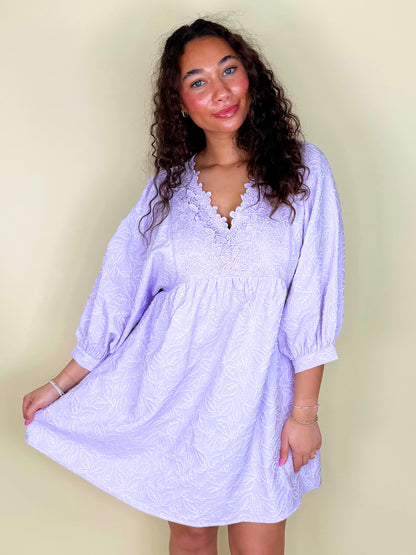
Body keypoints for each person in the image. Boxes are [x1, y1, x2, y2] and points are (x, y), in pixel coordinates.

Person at [22, 18, 345, 555]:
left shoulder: (303, 169)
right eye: (198, 81)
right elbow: (121, 293)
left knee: (259, 543)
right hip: (179, 398)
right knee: (190, 539)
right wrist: (61, 385)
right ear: (180, 103)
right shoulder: (168, 190)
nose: (220, 91)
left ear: (251, 76)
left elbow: (314, 296)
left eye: (229, 70)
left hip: (263, 401)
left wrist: (304, 414)